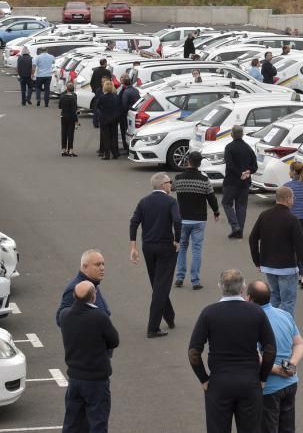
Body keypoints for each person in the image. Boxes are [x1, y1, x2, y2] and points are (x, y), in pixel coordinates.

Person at [189, 269, 276, 433]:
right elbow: (270, 349)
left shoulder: (209, 313)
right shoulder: (257, 312)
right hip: (250, 383)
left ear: (220, 286)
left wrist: (204, 379)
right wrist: (263, 378)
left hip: (219, 383)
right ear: (243, 287)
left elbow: (193, 352)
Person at [59, 281, 119, 433]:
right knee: (97, 423)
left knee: (72, 423)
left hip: (74, 378)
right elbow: (114, 340)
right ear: (93, 297)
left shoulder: (65, 315)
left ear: (74, 296)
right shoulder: (99, 317)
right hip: (96, 380)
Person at [246, 280, 303, 433]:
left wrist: (277, 370)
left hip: (269, 388)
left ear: (250, 299)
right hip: (290, 383)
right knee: (287, 428)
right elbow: (299, 344)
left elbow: (255, 357)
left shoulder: (251, 322)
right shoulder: (284, 314)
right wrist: (291, 364)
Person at [129, 172, 181, 338]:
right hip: (166, 247)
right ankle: (153, 327)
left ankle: (170, 316)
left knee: (158, 283)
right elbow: (178, 221)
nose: (171, 185)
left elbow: (134, 222)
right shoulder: (171, 202)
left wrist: (133, 247)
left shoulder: (144, 202)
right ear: (163, 185)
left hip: (148, 247)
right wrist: (178, 240)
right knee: (161, 286)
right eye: (169, 182)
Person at [249, 187, 303, 317]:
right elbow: (301, 246)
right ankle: (286, 331)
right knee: (288, 302)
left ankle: (270, 328)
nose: (293, 201)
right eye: (293, 198)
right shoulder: (292, 219)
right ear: (288, 198)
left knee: (274, 298)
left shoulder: (264, 215)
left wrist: (257, 261)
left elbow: (252, 238)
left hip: (268, 266)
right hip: (287, 267)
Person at [173, 151, 220, 290]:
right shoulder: (204, 181)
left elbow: (171, 188)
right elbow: (212, 198)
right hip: (199, 220)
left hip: (182, 219)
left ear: (188, 161)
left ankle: (179, 278)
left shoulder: (178, 178)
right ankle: (195, 281)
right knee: (197, 250)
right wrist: (216, 211)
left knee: (181, 248)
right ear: (200, 163)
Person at [57, 250, 110, 326]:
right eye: (97, 265)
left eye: (103, 264)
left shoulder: (92, 283)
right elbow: (61, 318)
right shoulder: (77, 288)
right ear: (85, 267)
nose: (102, 268)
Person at [221, 125, 257, 238]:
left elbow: (230, 165)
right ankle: (239, 231)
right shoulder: (248, 148)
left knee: (226, 203)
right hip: (245, 183)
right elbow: (255, 165)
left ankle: (235, 225)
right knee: (241, 206)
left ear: (232, 134)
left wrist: (239, 173)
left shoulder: (229, 147)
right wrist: (248, 172)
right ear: (242, 134)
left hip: (231, 181)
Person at [284, 162, 303, 289]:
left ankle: (293, 274)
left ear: (294, 172)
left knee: (291, 248)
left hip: (291, 220)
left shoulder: (287, 187)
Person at [97, 80, 120, 160]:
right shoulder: (116, 96)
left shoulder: (102, 97)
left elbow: (98, 106)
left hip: (104, 119)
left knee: (106, 137)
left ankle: (107, 155)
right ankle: (115, 153)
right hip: (114, 119)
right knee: (114, 136)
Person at [117, 74, 139, 153]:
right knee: (131, 131)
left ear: (124, 83)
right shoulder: (135, 90)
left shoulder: (126, 92)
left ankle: (126, 147)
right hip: (133, 113)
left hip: (125, 114)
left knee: (125, 130)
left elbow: (124, 104)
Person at [59, 81, 79, 157]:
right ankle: (70, 150)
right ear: (73, 89)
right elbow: (74, 110)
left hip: (63, 116)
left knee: (64, 133)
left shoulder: (62, 96)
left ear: (67, 89)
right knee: (71, 134)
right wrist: (76, 121)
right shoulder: (74, 97)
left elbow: (60, 106)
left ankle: (63, 150)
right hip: (71, 117)